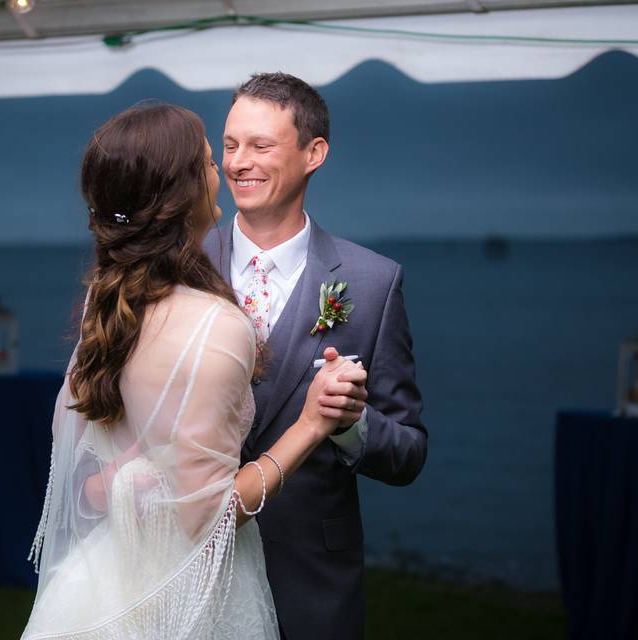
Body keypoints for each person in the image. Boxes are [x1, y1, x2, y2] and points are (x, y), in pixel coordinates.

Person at [20, 102, 364, 640]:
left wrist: (130, 478)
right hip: (186, 601)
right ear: (182, 193)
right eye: (210, 161)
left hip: (98, 587)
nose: (222, 172)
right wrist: (312, 425)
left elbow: (84, 478)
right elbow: (210, 522)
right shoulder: (217, 325)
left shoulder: (106, 304)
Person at [204, 72, 429, 640]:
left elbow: (408, 453)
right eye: (230, 145)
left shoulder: (372, 282)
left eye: (260, 145)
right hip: (190, 562)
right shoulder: (177, 266)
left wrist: (349, 424)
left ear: (314, 153)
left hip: (309, 580)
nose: (238, 162)